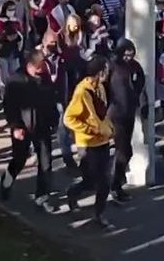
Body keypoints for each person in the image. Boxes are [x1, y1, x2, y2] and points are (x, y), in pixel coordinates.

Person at [0, 48, 59, 213]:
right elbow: (9, 106)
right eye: (37, 69)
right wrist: (15, 126)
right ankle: (7, 179)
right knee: (19, 158)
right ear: (29, 65)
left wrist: (54, 120)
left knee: (45, 161)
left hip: (42, 126)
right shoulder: (16, 81)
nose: (40, 72)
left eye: (42, 68)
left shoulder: (45, 78)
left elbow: (51, 100)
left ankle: (42, 196)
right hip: (22, 127)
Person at [63, 55, 115, 229]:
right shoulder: (82, 92)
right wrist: (90, 129)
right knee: (90, 181)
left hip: (103, 141)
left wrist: (109, 129)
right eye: (106, 70)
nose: (108, 73)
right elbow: (69, 119)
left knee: (105, 181)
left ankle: (99, 214)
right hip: (87, 144)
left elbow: (101, 114)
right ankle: (72, 194)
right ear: (100, 72)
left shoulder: (100, 87)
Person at [108, 38, 146, 203]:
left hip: (129, 112)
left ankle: (115, 180)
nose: (129, 58)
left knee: (124, 150)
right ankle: (114, 185)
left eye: (131, 55)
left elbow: (141, 82)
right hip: (115, 113)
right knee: (123, 150)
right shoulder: (112, 66)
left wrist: (139, 100)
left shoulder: (135, 66)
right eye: (126, 55)